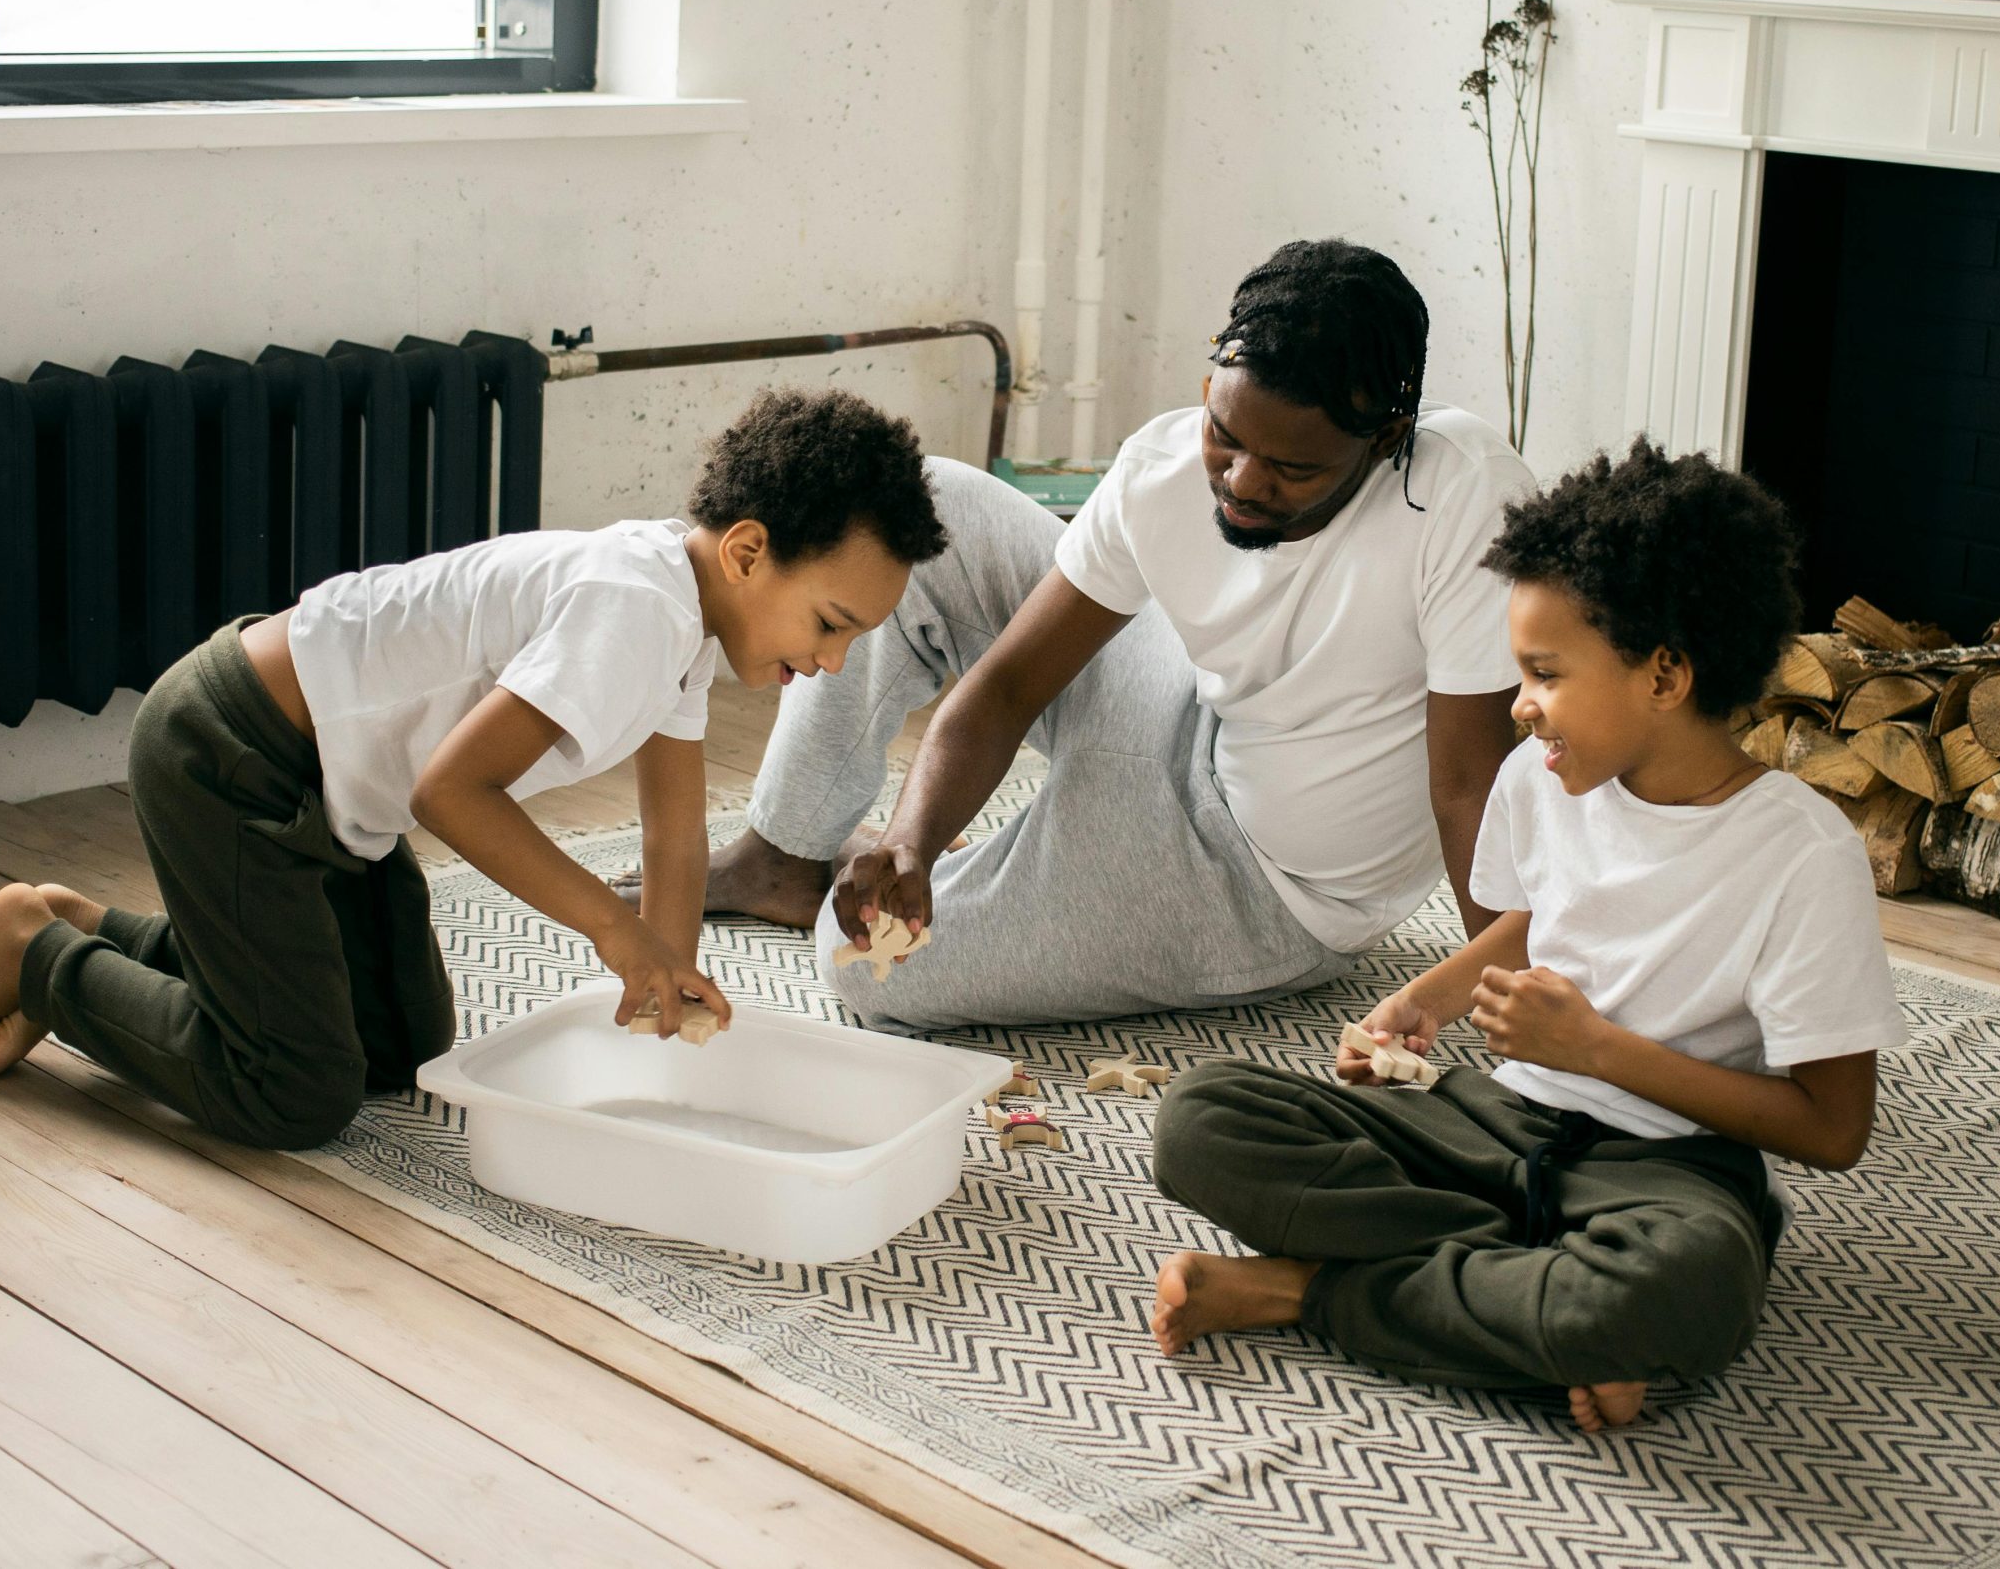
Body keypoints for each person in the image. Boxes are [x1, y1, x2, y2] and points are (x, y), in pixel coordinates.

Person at [0, 388, 948, 1149]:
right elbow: (450, 792)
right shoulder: (635, 606)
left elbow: (675, 834)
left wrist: (665, 980)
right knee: (293, 1094)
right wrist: (611, 926)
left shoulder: (683, 622)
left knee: (401, 1045)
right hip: (236, 758)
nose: (832, 661)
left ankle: (100, 929)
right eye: (830, 622)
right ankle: (37, 956)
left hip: (332, 808)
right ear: (746, 551)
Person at [1147, 438, 1910, 1433]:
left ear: (1665, 673)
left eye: (1544, 672)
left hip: (1665, 1170)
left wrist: (1599, 1049)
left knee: (1670, 1289)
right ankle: (1522, 1296)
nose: (1519, 704)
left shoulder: (1799, 853)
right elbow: (1536, 920)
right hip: (1494, 1123)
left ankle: (1305, 1288)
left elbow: (1830, 1128)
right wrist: (1426, 999)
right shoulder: (1542, 776)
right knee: (1201, 1114)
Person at [643, 239, 1534, 1031]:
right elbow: (1007, 686)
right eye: (1225, 435)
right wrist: (910, 839)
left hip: (1257, 881)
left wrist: (1510, 1007)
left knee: (862, 967)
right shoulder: (1162, 469)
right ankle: (783, 853)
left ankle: (1023, 861)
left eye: (1293, 468)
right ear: (1207, 392)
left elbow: (1469, 784)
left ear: (1384, 441)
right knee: (924, 510)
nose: (1243, 482)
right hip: (1177, 701)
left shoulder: (1459, 497)